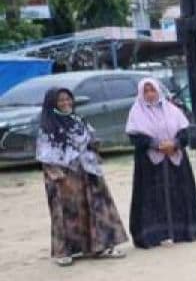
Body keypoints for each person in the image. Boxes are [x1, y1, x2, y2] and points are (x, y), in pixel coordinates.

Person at [36, 87, 128, 266]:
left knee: (97, 208)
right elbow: (45, 156)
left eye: (68, 99)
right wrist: (59, 177)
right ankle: (65, 251)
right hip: (64, 176)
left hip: (87, 171)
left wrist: (94, 144)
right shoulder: (47, 129)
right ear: (52, 105)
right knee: (66, 213)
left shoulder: (78, 121)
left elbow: (90, 140)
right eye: (61, 101)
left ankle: (101, 246)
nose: (66, 103)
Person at [125, 77, 196, 248]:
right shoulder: (136, 112)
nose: (150, 94)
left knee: (179, 194)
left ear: (158, 90)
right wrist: (157, 145)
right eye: (146, 91)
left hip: (175, 159)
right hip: (149, 164)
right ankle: (153, 235)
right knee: (151, 198)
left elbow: (185, 131)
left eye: (152, 90)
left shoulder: (172, 109)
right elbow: (135, 136)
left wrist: (175, 144)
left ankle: (185, 231)